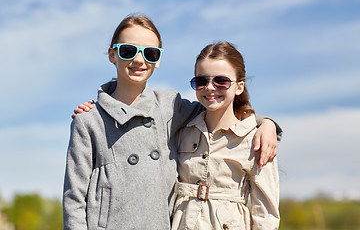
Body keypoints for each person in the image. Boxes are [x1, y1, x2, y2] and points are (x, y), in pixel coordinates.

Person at [63, 13, 281, 229]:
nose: (139, 60)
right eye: (128, 51)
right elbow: (74, 198)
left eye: (150, 53)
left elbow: (219, 109)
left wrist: (266, 123)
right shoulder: (89, 120)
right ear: (112, 55)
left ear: (157, 60)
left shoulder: (170, 106)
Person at [171, 41, 280, 230]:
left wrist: (267, 123)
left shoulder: (256, 139)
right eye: (201, 81)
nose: (210, 88)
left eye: (221, 81)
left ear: (239, 87)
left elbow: (266, 213)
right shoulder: (182, 131)